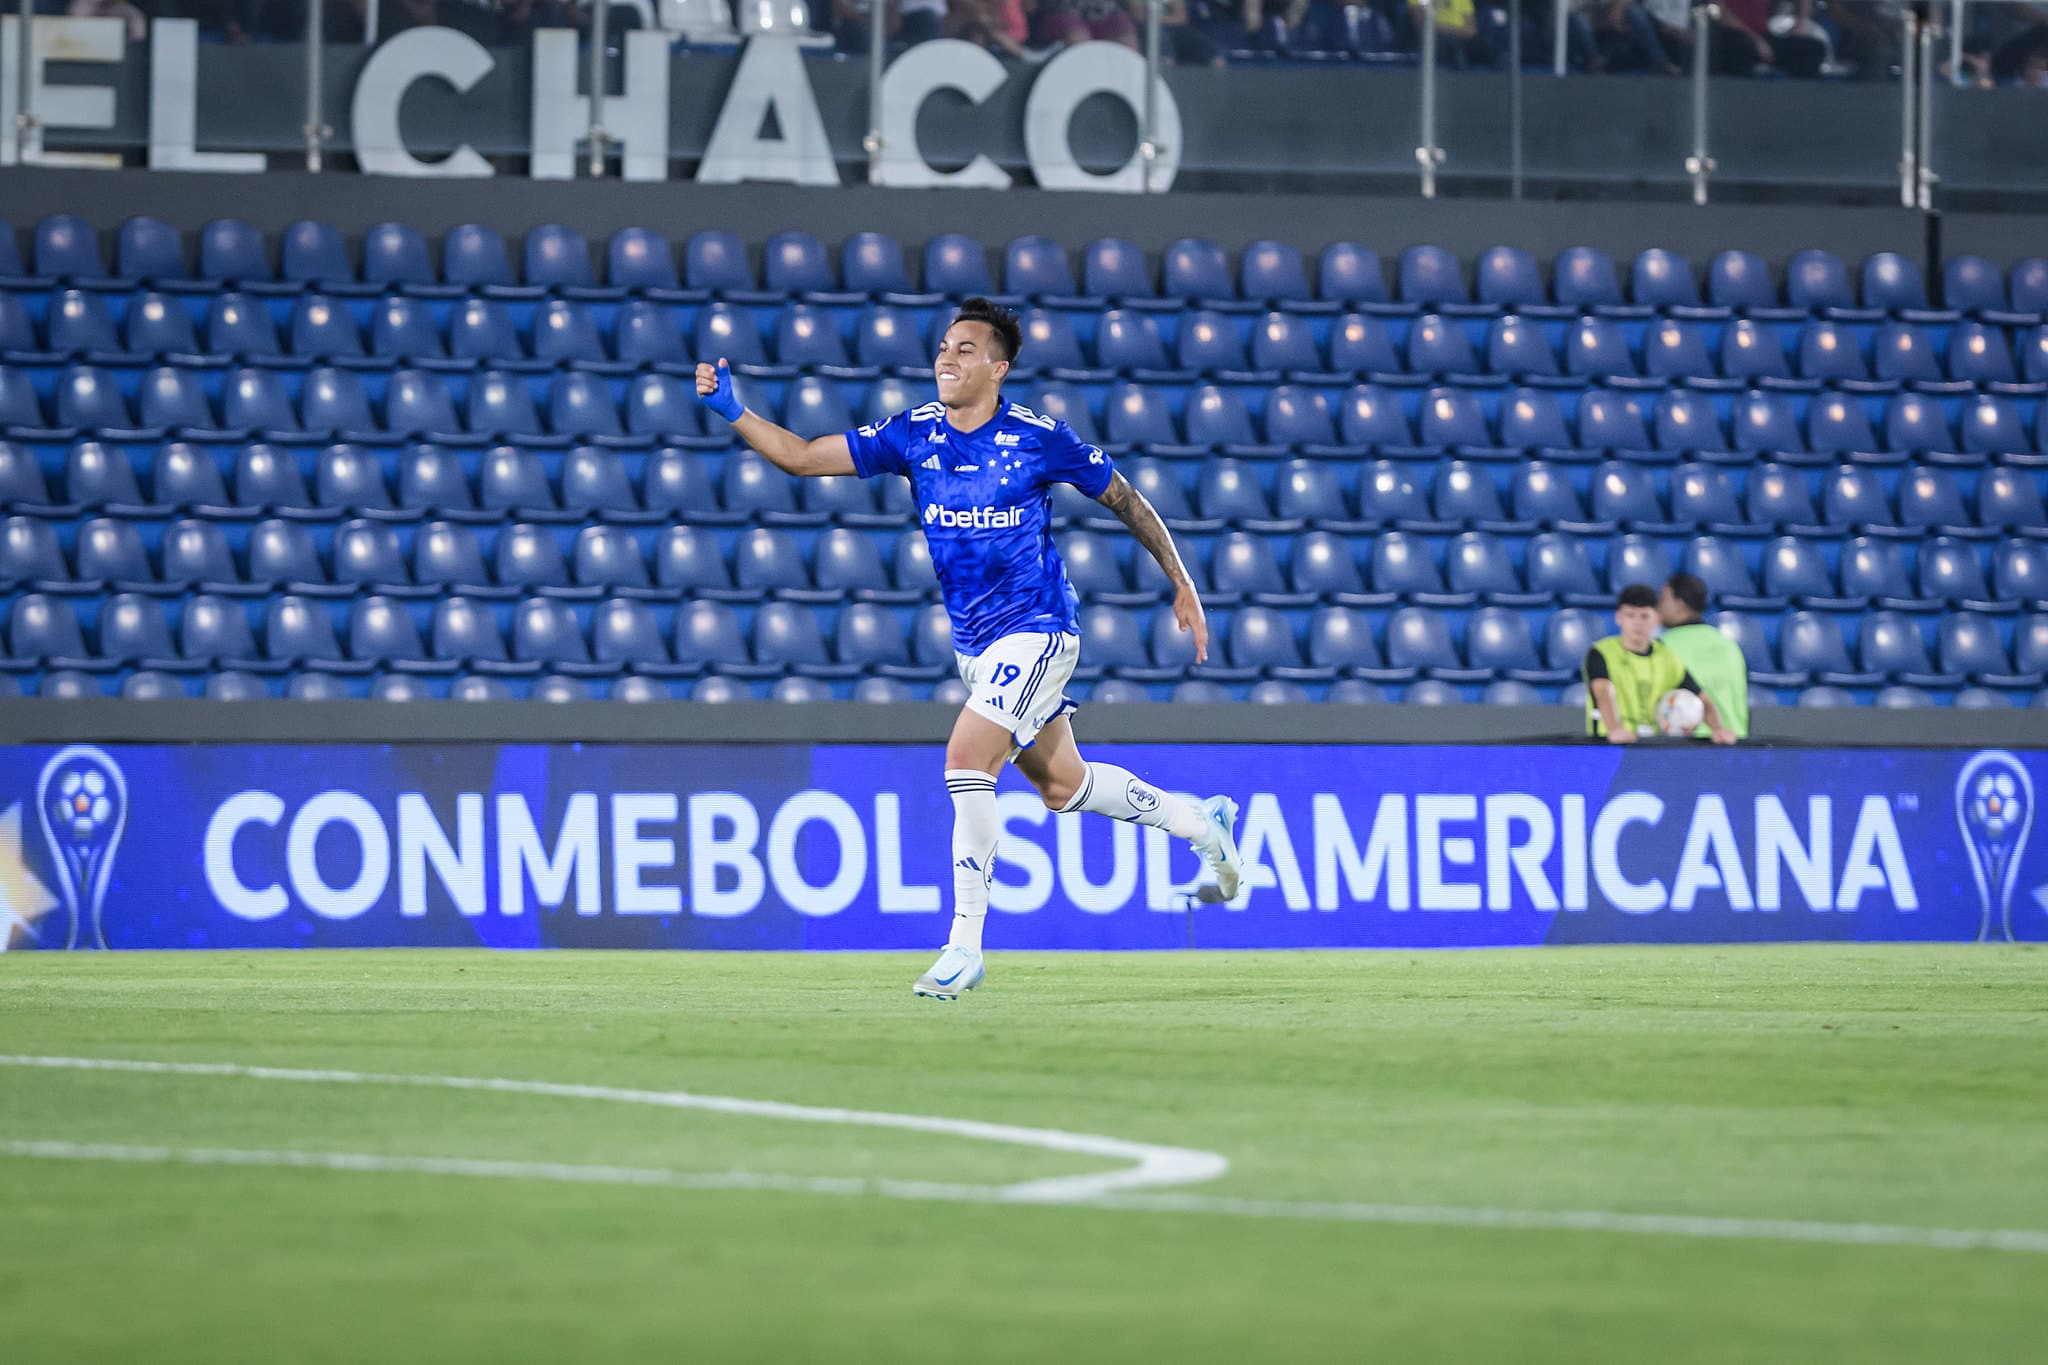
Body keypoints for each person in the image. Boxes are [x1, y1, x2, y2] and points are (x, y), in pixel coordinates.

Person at [696, 297, 1244, 1000]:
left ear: (998, 367)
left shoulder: (1039, 438)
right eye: (944, 346)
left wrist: (1182, 581)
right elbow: (803, 459)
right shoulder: (914, 435)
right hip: (978, 649)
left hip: (1041, 630)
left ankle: (964, 944)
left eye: (964, 349)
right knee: (1063, 787)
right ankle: (1202, 821)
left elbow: (1126, 499)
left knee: (965, 757)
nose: (946, 358)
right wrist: (735, 412)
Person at [1583, 583, 1737, 745]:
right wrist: (1614, 729)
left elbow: (1703, 700)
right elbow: (1603, 690)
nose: (1637, 623)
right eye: (1630, 615)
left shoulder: (1667, 657)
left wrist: (1717, 729)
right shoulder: (1601, 652)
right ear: (1619, 618)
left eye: (1644, 616)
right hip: (1608, 747)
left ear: (1656, 619)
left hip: (1652, 748)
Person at [1657, 572, 1749, 740]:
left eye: (1663, 599)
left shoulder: (1662, 647)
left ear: (1680, 604)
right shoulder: (1729, 645)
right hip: (1735, 743)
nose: (1659, 606)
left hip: (1690, 749)